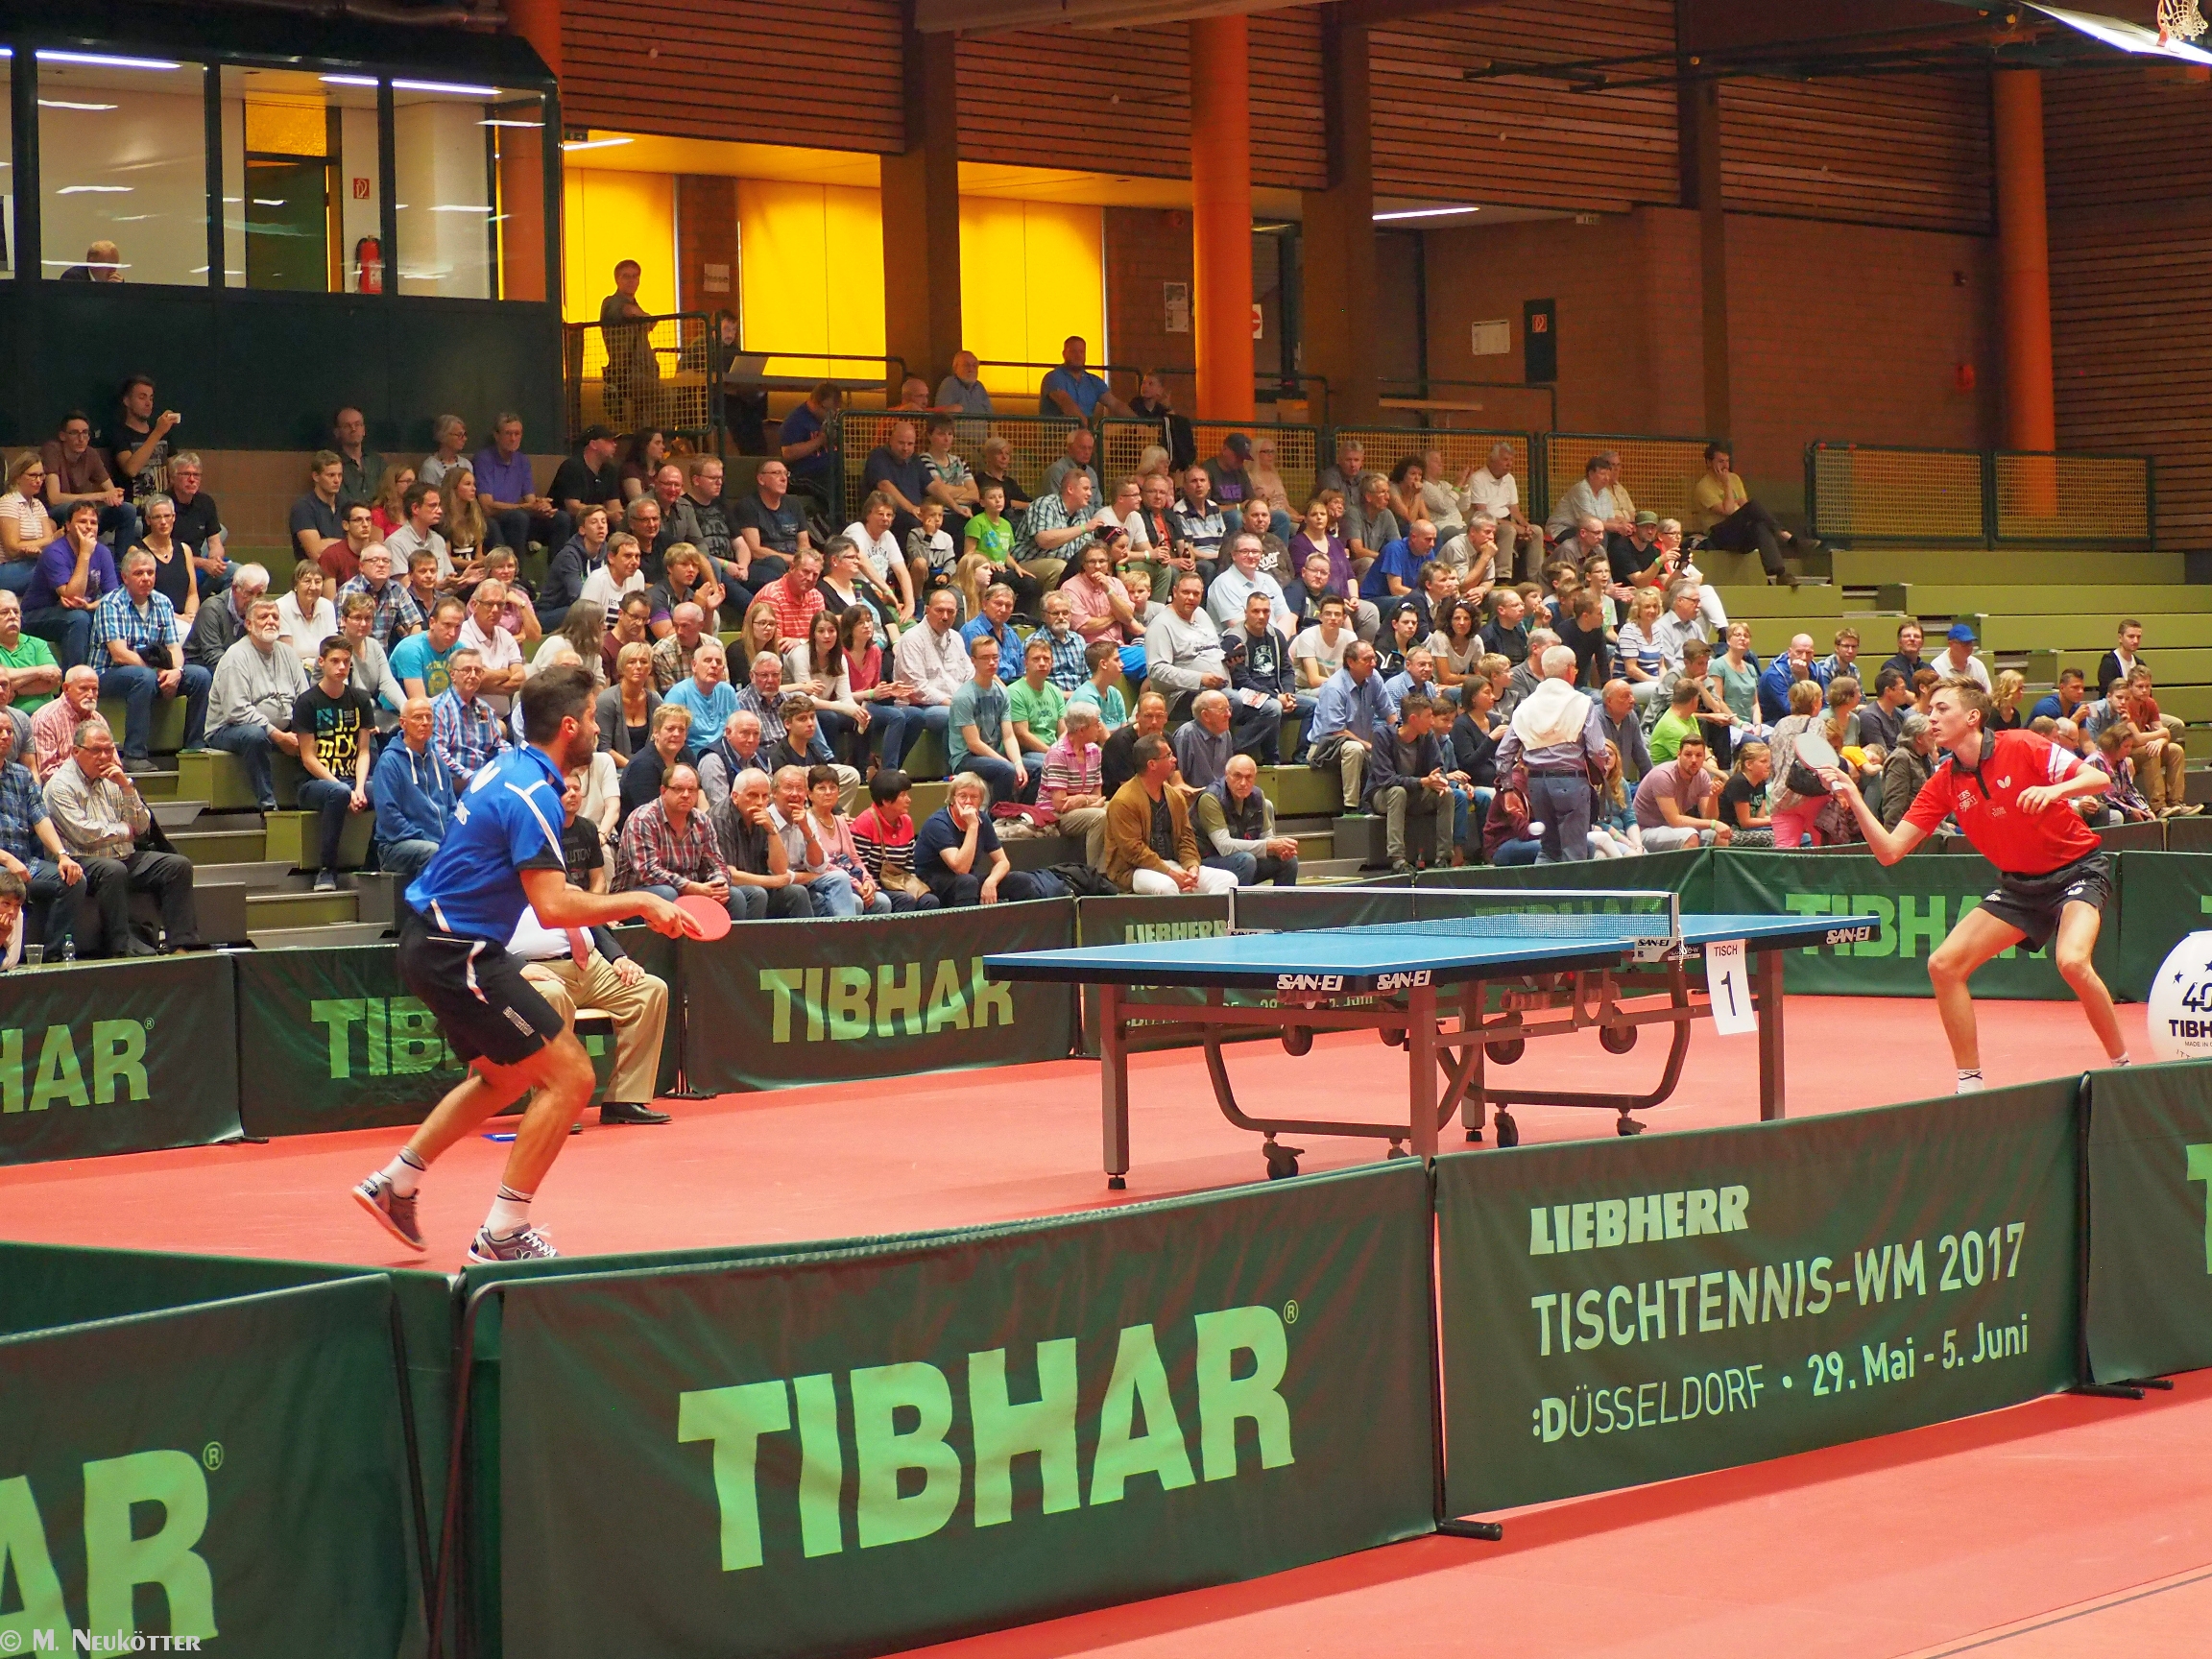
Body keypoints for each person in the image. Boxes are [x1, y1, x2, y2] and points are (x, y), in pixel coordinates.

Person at [350, 666, 690, 1262]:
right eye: (592, 718)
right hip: (459, 952)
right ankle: (503, 1232)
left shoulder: (507, 766)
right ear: (569, 727)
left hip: (436, 942)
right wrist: (640, 901)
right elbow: (554, 905)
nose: (598, 728)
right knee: (572, 1077)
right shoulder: (533, 796)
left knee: (504, 1077)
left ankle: (395, 1183)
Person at [1822, 680, 2129, 1093]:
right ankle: (1970, 1083)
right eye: (1930, 710)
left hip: (2077, 871)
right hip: (2020, 886)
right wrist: (1854, 797)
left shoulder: (2022, 744)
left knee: (2072, 962)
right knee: (1944, 966)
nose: (1931, 717)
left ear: (1972, 717)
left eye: (1942, 709)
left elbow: (2097, 779)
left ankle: (2123, 1068)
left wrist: (2054, 789)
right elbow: (1890, 852)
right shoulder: (1944, 781)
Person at [507, 771, 673, 1127]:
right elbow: (477, 937)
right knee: (551, 996)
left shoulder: (554, 858)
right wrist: (517, 966)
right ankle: (552, 1104)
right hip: (536, 970)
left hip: (591, 965)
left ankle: (625, 1100)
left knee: (650, 990)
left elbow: (587, 913)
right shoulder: (494, 874)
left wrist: (618, 958)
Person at [43, 716, 200, 955]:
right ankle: (121, 946)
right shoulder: (60, 785)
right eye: (96, 750)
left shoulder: (114, 779)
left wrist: (127, 787)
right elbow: (85, 834)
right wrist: (125, 830)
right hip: (81, 859)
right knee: (113, 870)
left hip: (123, 855)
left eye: (109, 750)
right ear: (76, 751)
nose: (104, 756)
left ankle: (182, 944)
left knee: (177, 865)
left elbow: (143, 826)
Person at [92, 549, 209, 771]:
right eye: (139, 573)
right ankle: (134, 755)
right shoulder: (111, 604)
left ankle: (194, 749)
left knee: (200, 676)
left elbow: (174, 647)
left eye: (150, 572)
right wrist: (157, 674)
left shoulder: (163, 603)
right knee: (144, 677)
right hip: (109, 673)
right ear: (125, 577)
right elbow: (119, 653)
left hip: (151, 672)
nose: (146, 578)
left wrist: (176, 672)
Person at [1494, 645, 1607, 864]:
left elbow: (1503, 753)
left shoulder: (1525, 706)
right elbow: (1596, 750)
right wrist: (1602, 769)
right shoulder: (1581, 702)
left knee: (1548, 850)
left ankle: (1543, 887)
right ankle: (1572, 889)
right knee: (1574, 852)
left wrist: (1507, 789)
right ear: (1570, 670)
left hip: (1537, 784)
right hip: (1570, 781)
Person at [205, 596, 308, 810]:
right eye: (263, 617)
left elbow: (304, 700)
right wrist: (279, 736)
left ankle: (308, 794)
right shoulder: (236, 656)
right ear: (249, 624)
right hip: (228, 728)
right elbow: (237, 711)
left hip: (282, 726)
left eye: (275, 617)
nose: (271, 621)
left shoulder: (288, 654)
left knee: (313, 730)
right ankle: (267, 802)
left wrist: (302, 730)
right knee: (255, 735)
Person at [1103, 734, 1238, 897]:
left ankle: (1205, 913)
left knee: (1227, 880)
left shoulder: (1175, 797)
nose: (1174, 759)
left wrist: (1192, 868)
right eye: (1168, 755)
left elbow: (1186, 838)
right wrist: (1170, 873)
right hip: (1136, 871)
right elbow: (1133, 851)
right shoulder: (1123, 801)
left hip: (1173, 866)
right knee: (1166, 886)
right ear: (1152, 764)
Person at [0, 717, 87, 957]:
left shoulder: (22, 775)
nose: (6, 736)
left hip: (25, 861)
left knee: (73, 879)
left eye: (9, 731)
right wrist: (7, 860)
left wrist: (62, 856)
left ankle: (53, 954)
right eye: (0, 731)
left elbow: (41, 818)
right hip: (3, 863)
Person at [914, 772, 1050, 906]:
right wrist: (973, 826)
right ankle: (967, 922)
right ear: (952, 799)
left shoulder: (982, 819)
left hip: (965, 880)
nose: (968, 801)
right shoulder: (938, 823)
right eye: (962, 796)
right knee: (968, 881)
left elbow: (1003, 862)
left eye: (974, 797)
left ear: (981, 801)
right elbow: (961, 868)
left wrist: (991, 881)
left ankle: (1022, 921)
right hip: (931, 883)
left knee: (1020, 880)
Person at [1365, 691, 1459, 872]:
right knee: (1398, 792)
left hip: (1416, 794)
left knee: (1446, 793)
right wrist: (1423, 781)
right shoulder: (1382, 735)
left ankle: (1444, 857)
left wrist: (1438, 780)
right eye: (1428, 717)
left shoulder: (1427, 736)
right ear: (1414, 719)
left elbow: (1438, 768)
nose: (1432, 722)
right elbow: (1386, 779)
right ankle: (1397, 859)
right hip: (1383, 795)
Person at [372, 695, 455, 888]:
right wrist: (432, 840)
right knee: (433, 852)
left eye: (429, 717)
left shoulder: (438, 761)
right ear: (403, 723)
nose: (425, 722)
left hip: (438, 842)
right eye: (418, 717)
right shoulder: (389, 762)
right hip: (396, 846)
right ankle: (426, 907)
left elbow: (453, 808)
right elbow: (389, 817)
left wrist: (452, 839)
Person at [1689, 443, 1799, 585]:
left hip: (1737, 534)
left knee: (1759, 526)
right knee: (1753, 506)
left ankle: (1780, 574)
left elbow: (1745, 507)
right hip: (1718, 535)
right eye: (1720, 461)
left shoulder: (1735, 478)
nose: (1725, 465)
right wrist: (1726, 485)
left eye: (1727, 461)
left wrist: (1737, 502)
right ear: (1709, 463)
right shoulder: (1704, 486)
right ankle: (1788, 537)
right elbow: (1729, 511)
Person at [709, 767, 810, 920]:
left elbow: (780, 870)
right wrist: (774, 881)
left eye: (764, 796)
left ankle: (807, 937)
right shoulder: (720, 819)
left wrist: (772, 830)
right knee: (757, 894)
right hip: (726, 889)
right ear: (735, 796)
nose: (760, 802)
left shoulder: (765, 816)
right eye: (753, 795)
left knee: (797, 892)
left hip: (758, 885)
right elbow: (730, 876)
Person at [1307, 639, 1393, 810]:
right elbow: (1337, 732)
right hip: (1325, 747)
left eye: (1374, 658)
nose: (1373, 664)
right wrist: (1369, 746)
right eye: (1367, 659)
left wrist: (1397, 737)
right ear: (1351, 662)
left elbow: (1389, 712)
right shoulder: (1334, 687)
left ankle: (1382, 802)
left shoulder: (1374, 677)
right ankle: (1351, 806)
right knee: (1355, 749)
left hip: (1358, 743)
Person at [1198, 755, 1301, 887]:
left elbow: (1267, 837)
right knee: (1246, 860)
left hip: (1243, 859)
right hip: (1206, 862)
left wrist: (1279, 849)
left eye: (1248, 777)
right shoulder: (1211, 798)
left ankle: (1281, 902)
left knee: (1289, 861)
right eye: (1237, 776)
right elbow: (1224, 846)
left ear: (1255, 778)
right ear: (1226, 775)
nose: (1243, 783)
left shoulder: (1257, 796)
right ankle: (1237, 901)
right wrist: (1269, 846)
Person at [949, 634, 1027, 804]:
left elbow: (1009, 736)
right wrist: (1009, 764)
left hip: (993, 753)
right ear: (973, 661)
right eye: (985, 658)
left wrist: (1018, 763)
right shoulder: (964, 696)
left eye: (995, 657)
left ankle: (1021, 812)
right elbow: (973, 743)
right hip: (966, 758)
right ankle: (997, 815)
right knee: (1006, 770)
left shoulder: (1002, 693)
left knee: (1036, 768)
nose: (992, 662)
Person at [1633, 733, 1733, 851]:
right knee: (1690, 836)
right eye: (1688, 755)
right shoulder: (1663, 776)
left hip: (1674, 830)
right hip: (1645, 831)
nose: (1694, 760)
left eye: (1699, 755)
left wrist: (1714, 796)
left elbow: (1709, 817)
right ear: (1679, 754)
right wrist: (1714, 824)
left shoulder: (1702, 776)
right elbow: (1675, 820)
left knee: (1721, 835)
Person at [1039, 335, 1130, 421]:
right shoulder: (1053, 377)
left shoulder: (1093, 381)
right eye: (1073, 351)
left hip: (1087, 430)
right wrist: (1086, 427)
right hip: (1059, 430)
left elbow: (1115, 404)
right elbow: (1067, 405)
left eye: (1082, 352)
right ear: (1064, 354)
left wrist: (1137, 422)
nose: (1078, 356)